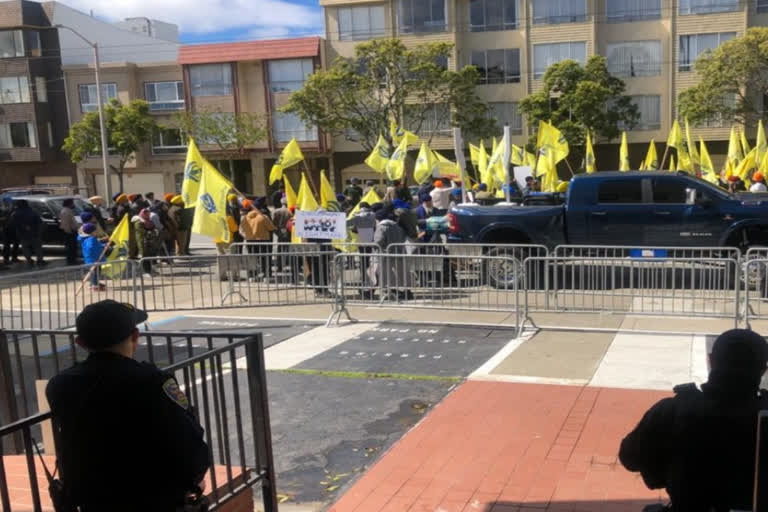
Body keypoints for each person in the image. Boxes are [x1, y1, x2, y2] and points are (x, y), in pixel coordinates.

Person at [46, 300, 210, 511]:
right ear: (135, 336)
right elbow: (188, 443)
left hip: (92, 501)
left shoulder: (59, 385)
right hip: (152, 499)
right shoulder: (152, 381)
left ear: (80, 343)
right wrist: (194, 479)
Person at [619, 329, 768, 512]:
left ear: (711, 360)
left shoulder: (672, 409)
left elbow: (630, 458)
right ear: (763, 369)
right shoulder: (763, 414)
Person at [374, 205, 410, 300]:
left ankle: (390, 292)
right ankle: (405, 291)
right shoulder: (397, 226)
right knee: (401, 273)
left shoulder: (381, 227)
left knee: (386, 273)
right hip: (399, 251)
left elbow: (378, 241)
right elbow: (403, 237)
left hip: (385, 253)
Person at [239, 201, 275, 281]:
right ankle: (266, 276)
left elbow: (241, 231)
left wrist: (247, 237)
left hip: (250, 241)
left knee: (252, 258)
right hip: (263, 240)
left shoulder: (245, 218)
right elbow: (271, 228)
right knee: (265, 258)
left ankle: (252, 276)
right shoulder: (263, 217)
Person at [349, 201, 377, 298]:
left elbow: (353, 229)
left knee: (364, 265)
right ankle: (370, 288)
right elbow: (374, 227)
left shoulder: (357, 216)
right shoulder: (373, 215)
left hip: (362, 241)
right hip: (372, 242)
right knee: (371, 265)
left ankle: (365, 288)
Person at [10, 200, 45, 267]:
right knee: (37, 247)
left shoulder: (16, 213)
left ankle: (29, 260)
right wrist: (38, 231)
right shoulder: (33, 212)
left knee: (25, 248)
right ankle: (40, 260)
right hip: (34, 233)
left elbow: (13, 223)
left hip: (22, 234)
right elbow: (39, 222)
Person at [78, 223, 107, 291]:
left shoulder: (85, 238)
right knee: (95, 272)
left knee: (93, 272)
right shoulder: (92, 239)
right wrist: (99, 250)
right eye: (95, 231)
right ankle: (94, 285)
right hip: (94, 259)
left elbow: (96, 245)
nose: (96, 232)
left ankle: (94, 283)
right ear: (92, 232)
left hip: (90, 259)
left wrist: (103, 245)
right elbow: (91, 247)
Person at [132, 209, 160, 277]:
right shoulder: (139, 222)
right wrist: (151, 233)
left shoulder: (149, 221)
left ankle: (149, 271)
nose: (148, 215)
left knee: (149, 257)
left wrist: (154, 232)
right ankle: (145, 272)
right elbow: (140, 234)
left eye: (148, 214)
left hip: (150, 242)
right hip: (142, 242)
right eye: (146, 214)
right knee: (144, 257)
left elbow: (154, 229)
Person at [272, 197, 293, 275]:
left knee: (280, 249)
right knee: (289, 248)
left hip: (280, 231)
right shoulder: (290, 212)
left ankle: (280, 266)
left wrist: (276, 232)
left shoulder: (276, 211)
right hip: (289, 231)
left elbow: (273, 223)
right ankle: (289, 264)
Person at [60, 198, 79, 265]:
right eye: (72, 203)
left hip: (72, 232)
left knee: (73, 247)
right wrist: (69, 232)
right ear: (69, 204)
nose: (73, 204)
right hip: (69, 233)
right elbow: (66, 224)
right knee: (70, 247)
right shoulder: (65, 211)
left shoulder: (68, 211)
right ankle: (71, 261)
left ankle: (73, 260)